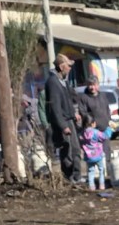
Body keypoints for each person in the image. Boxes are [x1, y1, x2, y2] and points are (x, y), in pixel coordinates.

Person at [46, 54, 83, 183]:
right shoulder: (53, 82)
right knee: (67, 152)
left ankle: (77, 177)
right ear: (61, 67)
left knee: (76, 150)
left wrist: (74, 113)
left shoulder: (63, 81)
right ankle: (69, 178)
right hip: (63, 122)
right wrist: (63, 126)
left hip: (69, 119)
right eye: (68, 66)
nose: (70, 68)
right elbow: (55, 107)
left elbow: (68, 100)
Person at [75, 78, 113, 158]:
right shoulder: (83, 97)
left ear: (98, 85)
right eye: (90, 85)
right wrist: (91, 123)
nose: (92, 87)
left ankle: (107, 165)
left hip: (105, 128)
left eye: (94, 85)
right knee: (95, 156)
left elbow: (107, 109)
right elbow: (83, 112)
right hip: (93, 132)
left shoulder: (102, 95)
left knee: (106, 153)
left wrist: (109, 120)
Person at [81, 115, 110, 191]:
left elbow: (81, 141)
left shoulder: (83, 133)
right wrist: (109, 129)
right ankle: (101, 185)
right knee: (101, 170)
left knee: (91, 171)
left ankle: (91, 186)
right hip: (98, 155)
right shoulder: (96, 132)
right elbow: (104, 136)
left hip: (88, 156)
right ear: (93, 123)